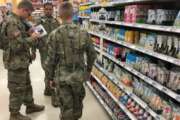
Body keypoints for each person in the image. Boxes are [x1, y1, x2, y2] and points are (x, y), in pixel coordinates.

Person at [45, 2, 96, 120]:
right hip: (78, 77)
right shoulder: (84, 33)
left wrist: (50, 78)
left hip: (62, 79)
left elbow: (50, 60)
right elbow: (92, 55)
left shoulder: (54, 35)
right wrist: (88, 71)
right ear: (73, 14)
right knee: (77, 106)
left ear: (60, 15)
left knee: (66, 108)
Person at [1, 1, 45, 120]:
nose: (28, 16)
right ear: (23, 10)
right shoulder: (12, 22)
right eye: (28, 13)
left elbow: (18, 38)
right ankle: (14, 114)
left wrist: (27, 33)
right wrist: (32, 38)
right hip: (15, 62)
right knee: (17, 88)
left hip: (21, 61)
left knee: (26, 84)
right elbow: (16, 46)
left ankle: (30, 105)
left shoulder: (18, 20)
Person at [36, 2, 60, 98]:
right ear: (43, 9)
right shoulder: (40, 22)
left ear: (53, 10)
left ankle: (49, 89)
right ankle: (51, 91)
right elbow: (37, 37)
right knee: (48, 70)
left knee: (54, 70)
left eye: (50, 9)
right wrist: (33, 51)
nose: (48, 11)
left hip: (55, 51)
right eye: (47, 9)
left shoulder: (56, 21)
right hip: (45, 50)